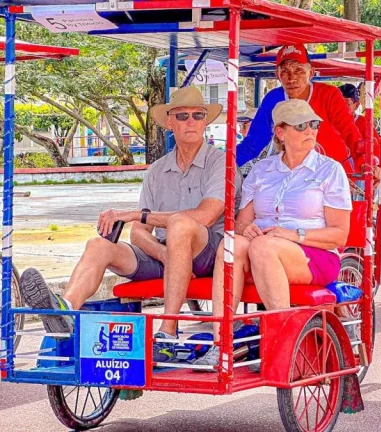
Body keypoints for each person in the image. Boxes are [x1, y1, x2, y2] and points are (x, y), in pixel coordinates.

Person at [18, 87, 241, 362]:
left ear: (206, 121)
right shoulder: (157, 170)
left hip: (207, 252)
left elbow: (205, 216)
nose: (191, 122)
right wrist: (163, 252)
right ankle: (66, 311)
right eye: (183, 116)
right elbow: (139, 234)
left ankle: (168, 332)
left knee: (181, 225)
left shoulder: (221, 162)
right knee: (98, 245)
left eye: (198, 115)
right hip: (164, 252)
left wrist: (139, 215)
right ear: (170, 123)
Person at [193, 99, 352, 368]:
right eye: (300, 126)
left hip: (314, 253)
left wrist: (293, 235)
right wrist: (246, 229)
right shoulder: (262, 170)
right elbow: (242, 222)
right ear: (281, 132)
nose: (310, 131)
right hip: (264, 248)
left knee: (263, 247)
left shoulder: (330, 170)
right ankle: (222, 343)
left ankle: (281, 342)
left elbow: (339, 235)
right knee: (231, 244)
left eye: (314, 124)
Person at [236, 44, 363, 172]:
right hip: (292, 174)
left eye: (299, 70)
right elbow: (254, 142)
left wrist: (363, 163)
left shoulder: (329, 95)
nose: (292, 78)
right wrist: (228, 162)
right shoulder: (273, 98)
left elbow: (350, 132)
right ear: (277, 75)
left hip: (332, 172)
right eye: (285, 71)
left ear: (311, 73)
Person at [338, 83, 381, 178]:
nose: (341, 108)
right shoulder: (329, 123)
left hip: (357, 174)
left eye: (346, 104)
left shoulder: (364, 124)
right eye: (337, 104)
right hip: (334, 172)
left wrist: (373, 165)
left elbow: (376, 150)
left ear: (357, 105)